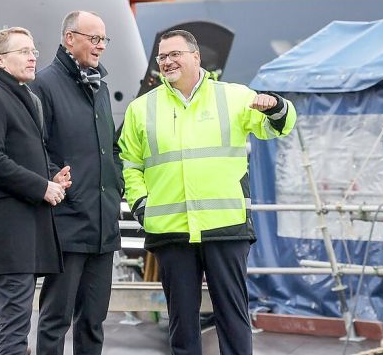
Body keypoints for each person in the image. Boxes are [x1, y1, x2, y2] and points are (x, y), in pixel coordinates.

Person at [117, 29, 297, 355]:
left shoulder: (234, 96)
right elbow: (130, 164)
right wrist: (142, 204)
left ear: (195, 57)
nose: (168, 62)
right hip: (171, 230)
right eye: (162, 57)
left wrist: (277, 106)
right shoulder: (141, 109)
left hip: (224, 226)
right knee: (182, 324)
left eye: (175, 54)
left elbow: (277, 127)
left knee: (232, 316)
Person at [0, 26, 73, 355]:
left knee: (2, 320)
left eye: (33, 51)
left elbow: (23, 155)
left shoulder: (26, 98)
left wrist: (52, 177)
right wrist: (42, 187)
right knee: (14, 325)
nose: (32, 57)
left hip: (23, 231)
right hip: (8, 231)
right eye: (23, 51)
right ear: (0, 59)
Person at [31, 11, 121, 355]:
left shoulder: (99, 85)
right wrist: (51, 174)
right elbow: (34, 145)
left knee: (93, 321)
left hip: (103, 224)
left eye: (103, 40)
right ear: (70, 38)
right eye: (93, 38)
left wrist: (116, 185)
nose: (100, 46)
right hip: (67, 224)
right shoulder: (44, 84)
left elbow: (110, 145)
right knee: (56, 318)